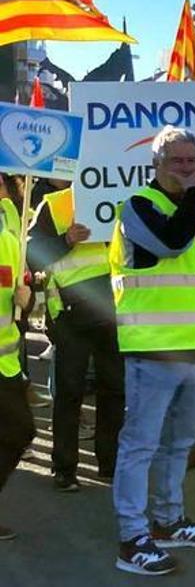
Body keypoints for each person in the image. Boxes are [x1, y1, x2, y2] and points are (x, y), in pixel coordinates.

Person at [110, 126, 195, 576]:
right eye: (178, 160)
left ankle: (168, 520)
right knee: (140, 446)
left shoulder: (194, 213)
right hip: (153, 348)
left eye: (193, 160)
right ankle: (131, 538)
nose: (188, 168)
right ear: (156, 163)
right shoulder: (139, 205)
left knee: (179, 443)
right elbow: (170, 243)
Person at [27, 181, 122, 492]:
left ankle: (109, 462)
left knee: (115, 388)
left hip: (114, 308)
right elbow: (32, 253)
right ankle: (65, 468)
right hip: (71, 314)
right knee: (70, 391)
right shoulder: (55, 204)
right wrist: (66, 238)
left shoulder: (120, 194)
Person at [0, 223, 32, 540]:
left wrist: (28, 298)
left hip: (5, 363)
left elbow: (23, 300)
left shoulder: (10, 241)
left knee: (21, 431)